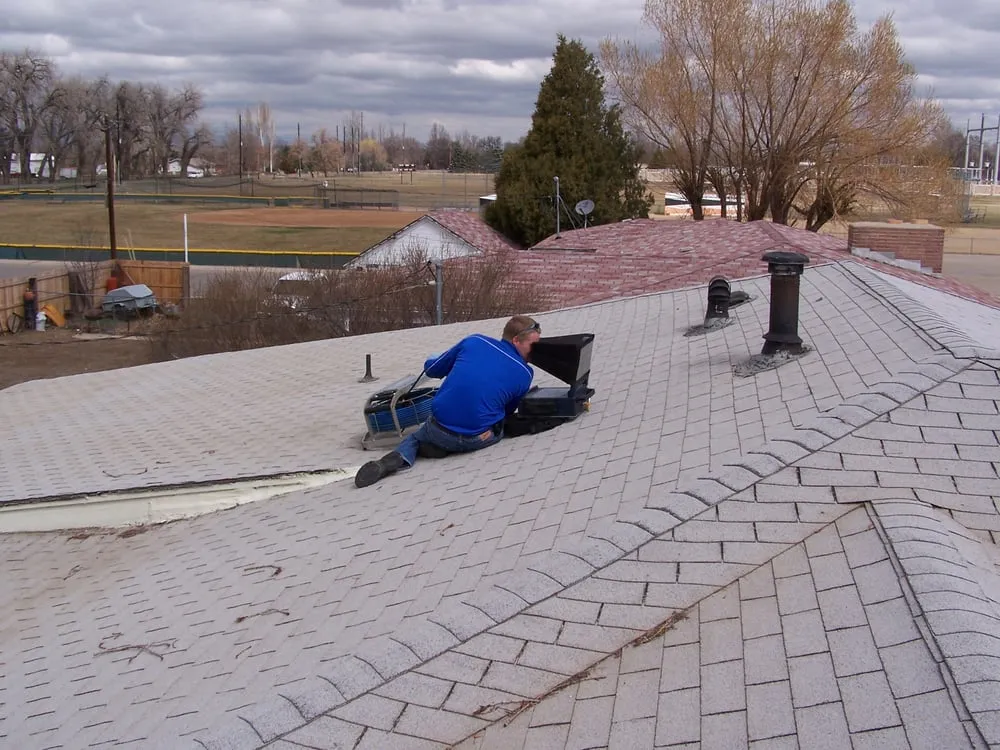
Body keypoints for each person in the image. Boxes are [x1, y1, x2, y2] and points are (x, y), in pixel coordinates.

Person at [355, 315, 542, 488]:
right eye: (533, 345)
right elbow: (507, 410)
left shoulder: (475, 341)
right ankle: (443, 448)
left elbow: (433, 369)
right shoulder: (525, 373)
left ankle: (400, 457)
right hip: (477, 438)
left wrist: (435, 358)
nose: (535, 351)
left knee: (414, 437)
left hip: (438, 431)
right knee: (499, 422)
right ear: (516, 340)